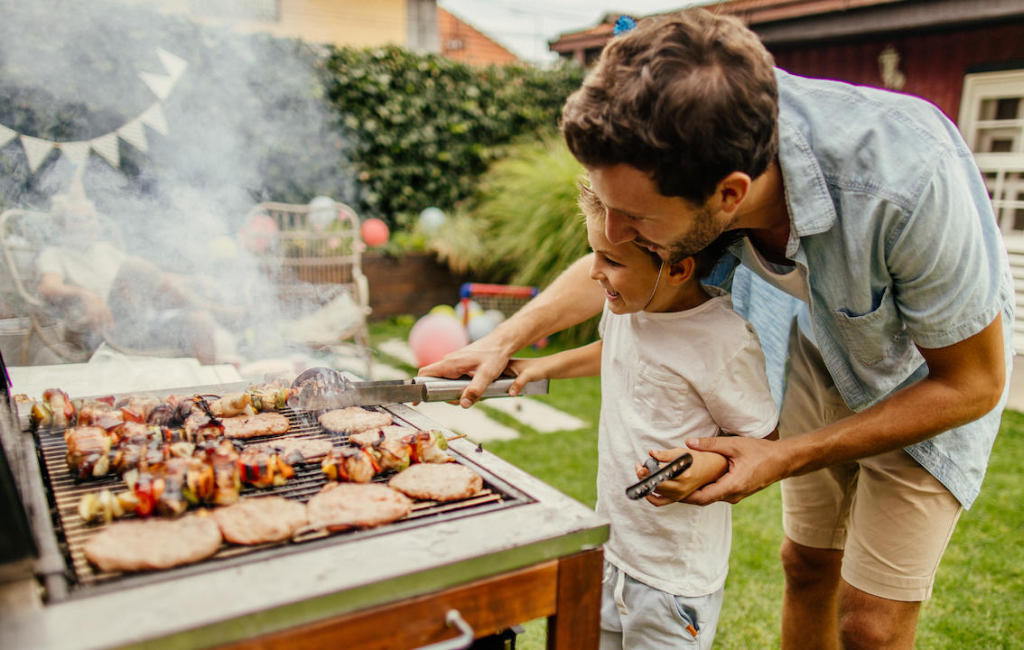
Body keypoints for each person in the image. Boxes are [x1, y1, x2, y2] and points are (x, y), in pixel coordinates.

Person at [420, 8, 1015, 650]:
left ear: (730, 196)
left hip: (925, 377)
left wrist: (782, 454)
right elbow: (617, 257)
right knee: (805, 564)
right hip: (815, 340)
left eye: (637, 219)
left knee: (869, 625)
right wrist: (505, 339)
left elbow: (973, 383)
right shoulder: (697, 138)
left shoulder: (904, 181)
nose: (613, 236)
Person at [506, 182, 777, 649]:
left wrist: (707, 466)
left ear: (677, 268)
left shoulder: (724, 342)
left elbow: (763, 440)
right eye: (594, 254)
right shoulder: (628, 308)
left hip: (672, 578)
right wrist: (542, 365)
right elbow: (615, 349)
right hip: (612, 549)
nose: (594, 273)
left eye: (611, 261)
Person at [36, 193, 240, 364]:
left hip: (137, 324)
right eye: (76, 220)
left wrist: (192, 280)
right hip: (100, 330)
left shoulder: (105, 250)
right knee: (134, 266)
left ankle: (212, 397)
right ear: (62, 224)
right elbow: (48, 287)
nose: (85, 225)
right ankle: (216, 311)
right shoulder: (55, 254)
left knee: (199, 321)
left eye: (89, 218)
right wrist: (85, 294)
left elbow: (152, 278)